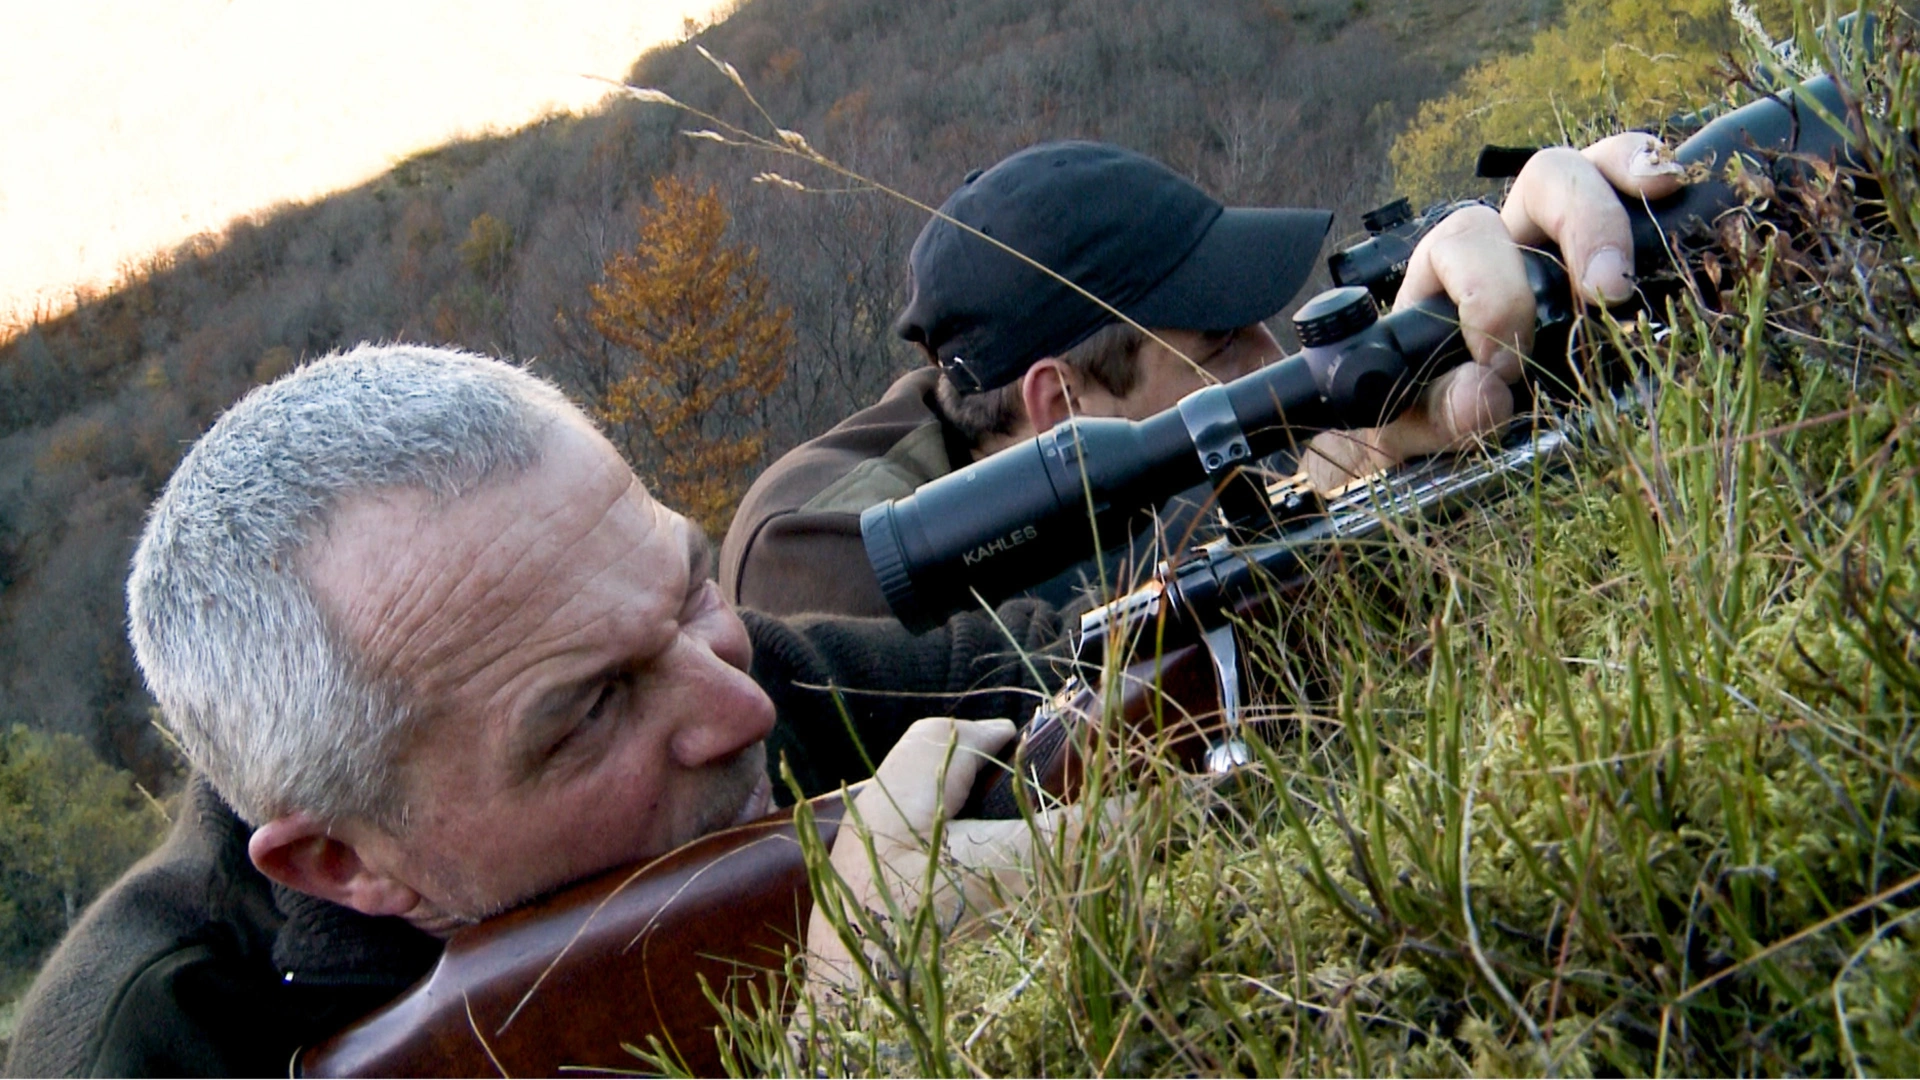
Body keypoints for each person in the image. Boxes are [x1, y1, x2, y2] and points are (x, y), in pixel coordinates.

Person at [3, 345, 1065, 1077]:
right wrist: (851, 1014)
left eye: (694, 590)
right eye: (593, 711)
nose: (739, 710)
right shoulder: (140, 1049)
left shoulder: (687, 664)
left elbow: (1048, 669)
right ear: (342, 861)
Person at [719, 136, 1686, 619]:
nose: (1276, 366)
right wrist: (1316, 490)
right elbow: (1049, 668)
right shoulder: (810, 550)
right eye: (1222, 348)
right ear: (1064, 406)